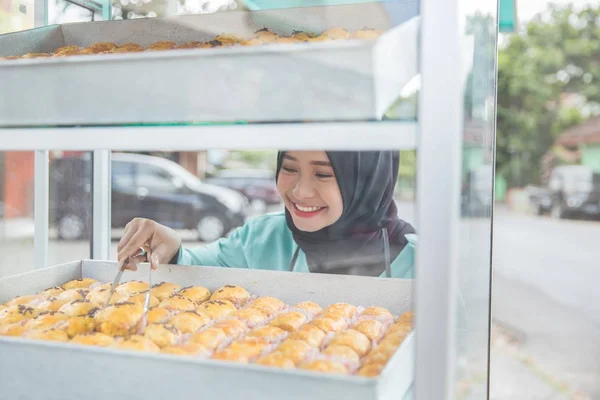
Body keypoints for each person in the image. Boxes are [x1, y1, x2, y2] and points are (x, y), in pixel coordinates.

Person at [117, 151, 417, 278]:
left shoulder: (420, 264)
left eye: (323, 174)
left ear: (367, 181)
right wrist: (169, 246)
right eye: (289, 168)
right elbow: (197, 267)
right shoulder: (261, 237)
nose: (300, 191)